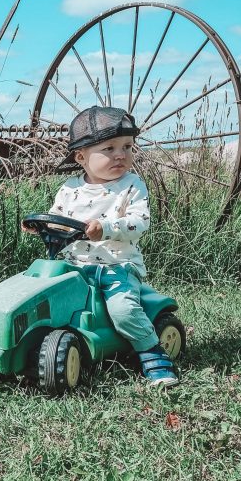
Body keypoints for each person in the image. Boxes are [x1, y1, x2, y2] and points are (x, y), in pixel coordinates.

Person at [35, 105, 179, 387]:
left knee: (123, 311)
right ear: (81, 157)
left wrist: (107, 228)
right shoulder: (69, 188)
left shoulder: (131, 185)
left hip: (117, 268)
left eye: (127, 146)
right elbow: (58, 218)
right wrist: (41, 225)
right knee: (46, 297)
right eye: (110, 148)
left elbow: (140, 222)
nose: (120, 155)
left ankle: (153, 355)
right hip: (74, 266)